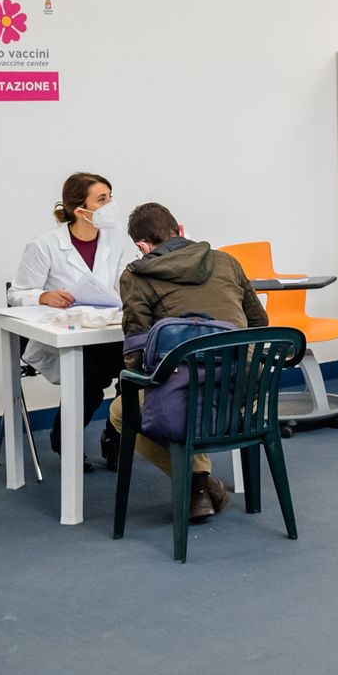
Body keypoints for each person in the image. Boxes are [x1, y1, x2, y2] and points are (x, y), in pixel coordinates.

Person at [111, 203, 268, 522]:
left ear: (142, 246)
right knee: (198, 390)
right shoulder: (226, 261)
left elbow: (136, 354)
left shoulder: (136, 275)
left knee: (121, 411)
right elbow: (259, 322)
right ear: (180, 230)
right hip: (246, 391)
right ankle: (201, 487)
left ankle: (199, 483)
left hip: (188, 396)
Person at [7, 172, 136, 470]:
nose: (110, 205)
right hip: (64, 337)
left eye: (110, 197)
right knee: (90, 376)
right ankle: (65, 438)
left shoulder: (113, 238)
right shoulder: (44, 245)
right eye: (101, 199)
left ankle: (115, 435)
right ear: (80, 210)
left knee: (136, 365)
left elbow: (120, 284)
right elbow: (17, 294)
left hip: (105, 331)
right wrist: (43, 297)